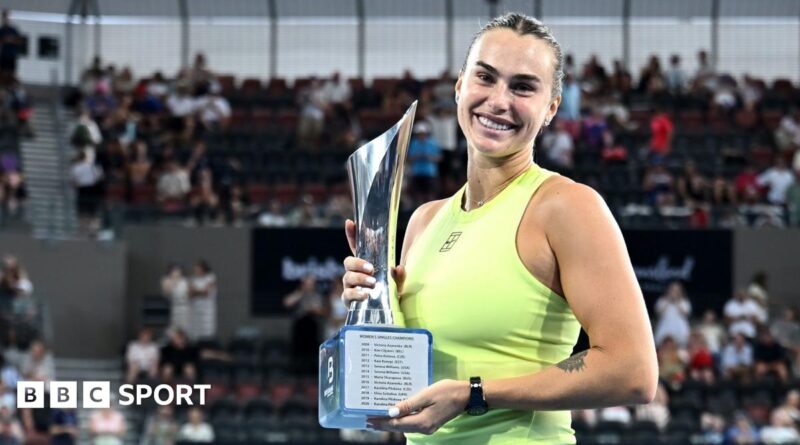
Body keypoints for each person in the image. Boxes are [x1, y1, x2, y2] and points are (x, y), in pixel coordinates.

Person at [341, 13, 657, 443]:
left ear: (551, 108)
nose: (498, 100)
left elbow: (633, 371)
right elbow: (408, 384)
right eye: (485, 78)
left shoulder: (566, 207)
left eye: (523, 86)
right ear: (459, 87)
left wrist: (475, 394)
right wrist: (370, 299)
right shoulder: (423, 221)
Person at [187, 260, 217, 340]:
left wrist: (196, 291)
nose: (196, 271)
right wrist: (199, 291)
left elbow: (206, 292)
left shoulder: (210, 277)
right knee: (195, 334)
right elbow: (190, 294)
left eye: (198, 269)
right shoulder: (192, 279)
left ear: (203, 269)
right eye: (195, 269)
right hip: (195, 311)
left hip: (206, 312)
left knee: (207, 334)